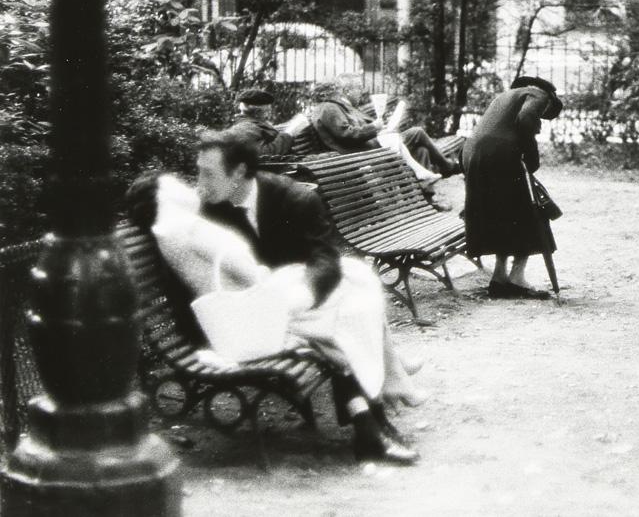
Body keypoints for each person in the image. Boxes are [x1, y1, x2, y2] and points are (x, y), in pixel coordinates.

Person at [126, 132, 423, 465]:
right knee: (346, 310)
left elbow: (320, 258)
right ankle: (376, 414)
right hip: (243, 322)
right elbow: (212, 280)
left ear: (238, 173)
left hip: (265, 306)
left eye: (206, 173)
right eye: (193, 176)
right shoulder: (197, 217)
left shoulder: (289, 199)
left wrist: (301, 292)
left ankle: (373, 421)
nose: (197, 184)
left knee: (349, 286)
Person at [461, 76, 563, 299]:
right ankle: (517, 278)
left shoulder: (506, 96)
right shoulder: (539, 95)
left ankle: (499, 278)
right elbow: (527, 118)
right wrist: (531, 156)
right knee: (527, 212)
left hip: (473, 153)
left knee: (502, 214)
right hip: (499, 155)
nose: (541, 122)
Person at [308, 84, 462, 180]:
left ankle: (424, 191)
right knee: (413, 135)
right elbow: (347, 134)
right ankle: (441, 169)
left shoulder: (331, 107)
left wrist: (378, 128)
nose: (340, 95)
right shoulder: (328, 108)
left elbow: (349, 130)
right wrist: (375, 128)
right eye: (337, 92)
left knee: (420, 149)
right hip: (357, 151)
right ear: (329, 94)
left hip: (362, 146)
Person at [228, 88, 310, 156]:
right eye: (267, 107)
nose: (269, 110)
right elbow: (264, 154)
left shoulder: (252, 123)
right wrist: (290, 133)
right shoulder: (246, 127)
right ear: (257, 110)